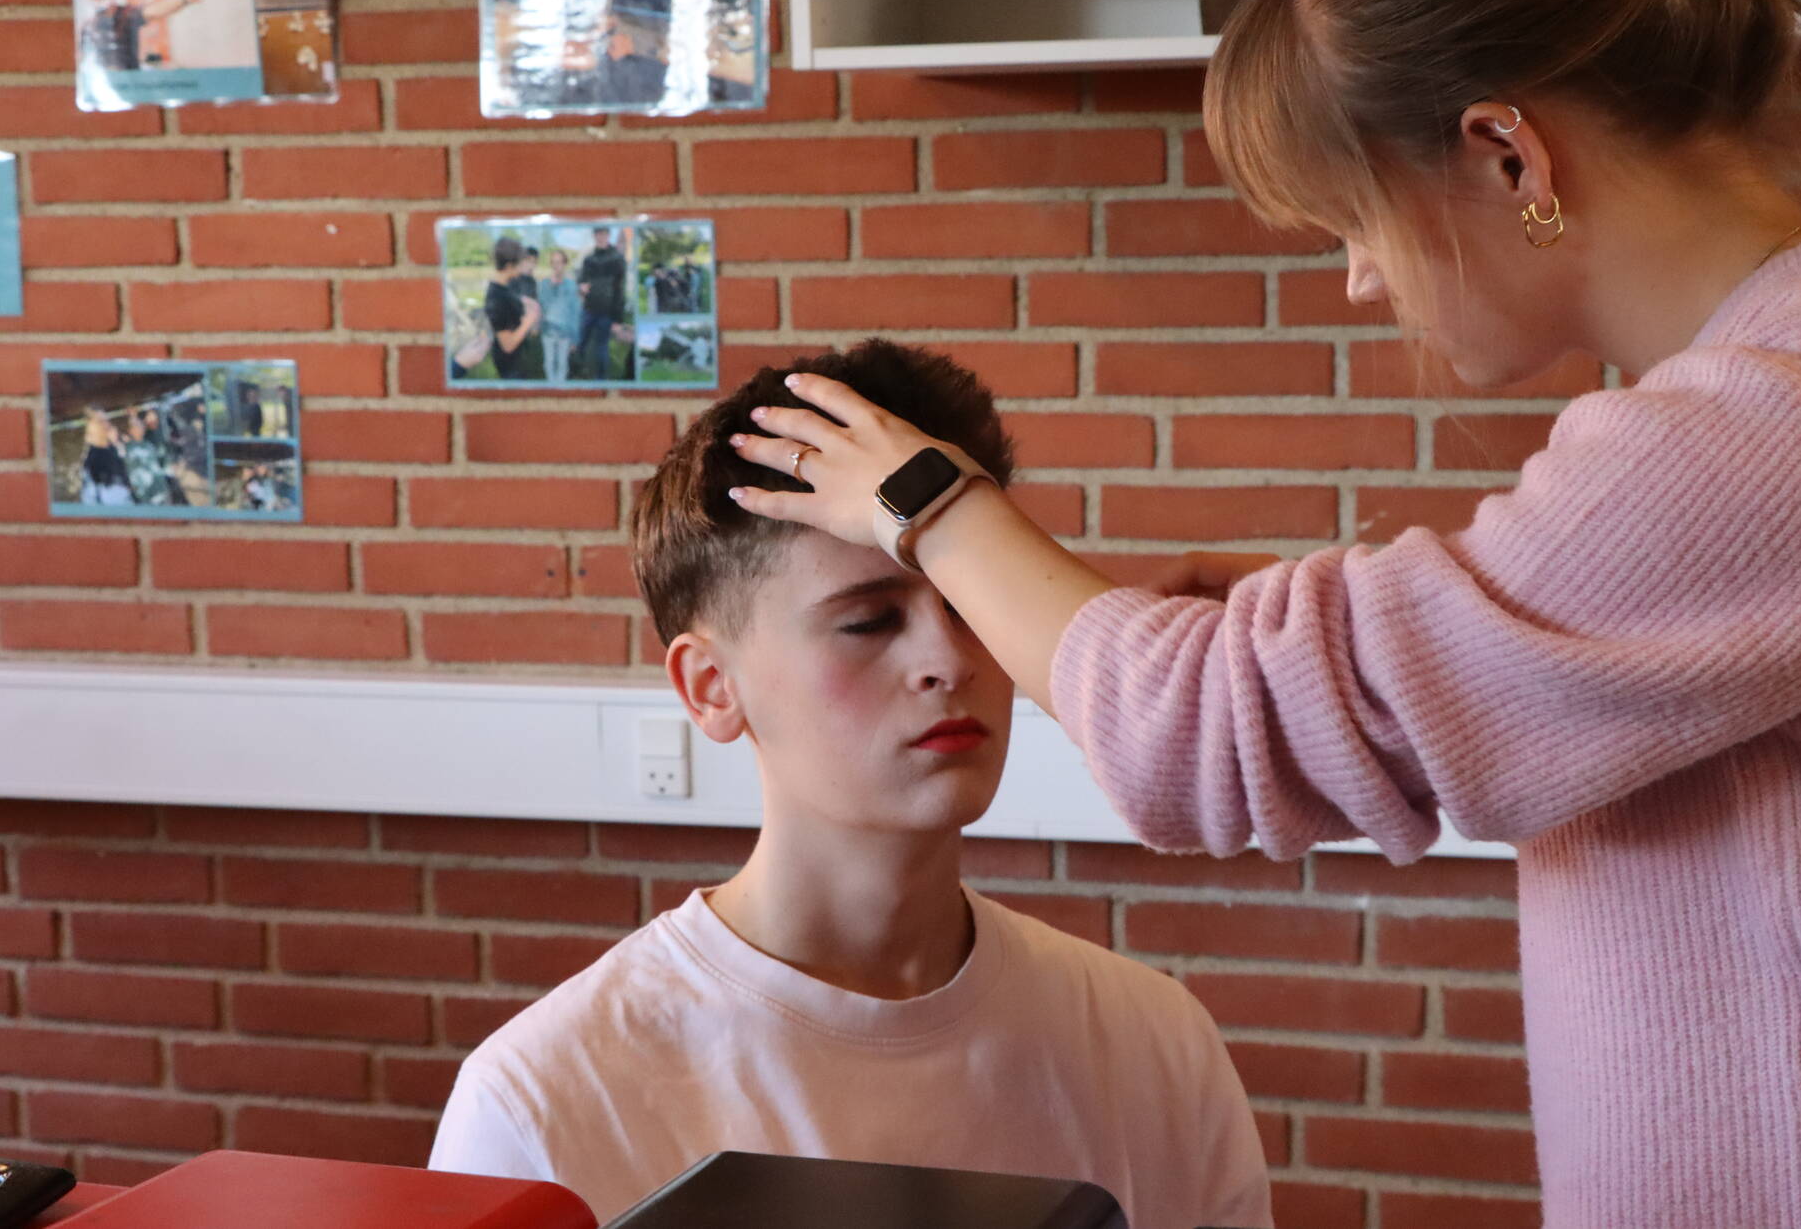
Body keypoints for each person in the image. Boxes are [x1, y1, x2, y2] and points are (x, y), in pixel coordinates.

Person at [725, 0, 1801, 1226]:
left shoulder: (1783, 419)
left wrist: (926, 504)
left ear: (1508, 155)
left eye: (1356, 216)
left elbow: (1205, 732)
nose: (1361, 277)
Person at [428, 342, 1272, 1229]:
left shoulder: (1155, 1041)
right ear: (712, 687)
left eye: (968, 602)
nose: (948, 659)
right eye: (869, 621)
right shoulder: (542, 1105)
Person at [79, 0, 207, 72]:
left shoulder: (126, 15)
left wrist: (184, 1)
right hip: (103, 84)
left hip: (129, 81)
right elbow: (82, 58)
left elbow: (154, 11)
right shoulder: (88, 26)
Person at [483, 235, 545, 380]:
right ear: (510, 266)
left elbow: (511, 303)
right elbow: (508, 345)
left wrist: (524, 301)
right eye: (520, 262)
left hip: (518, 358)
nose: (523, 266)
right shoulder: (496, 298)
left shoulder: (503, 288)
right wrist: (528, 321)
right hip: (509, 366)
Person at [575, 226, 627, 380]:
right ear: (594, 236)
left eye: (603, 234)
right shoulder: (589, 259)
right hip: (588, 309)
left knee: (601, 347)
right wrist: (581, 285)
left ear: (608, 235)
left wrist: (618, 320)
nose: (600, 237)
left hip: (607, 311)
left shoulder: (617, 258)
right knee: (580, 342)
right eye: (598, 234)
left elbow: (620, 290)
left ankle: (601, 380)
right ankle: (578, 372)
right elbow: (581, 279)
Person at [538, 247, 581, 378]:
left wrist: (575, 338)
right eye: (553, 262)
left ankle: (561, 388)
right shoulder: (544, 284)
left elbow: (575, 312)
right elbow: (541, 308)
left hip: (565, 333)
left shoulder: (571, 285)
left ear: (565, 264)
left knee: (563, 364)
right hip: (548, 332)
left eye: (559, 262)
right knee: (548, 363)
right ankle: (551, 388)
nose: (556, 266)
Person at [78, 408, 132, 506]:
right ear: (90, 427)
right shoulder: (90, 460)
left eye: (106, 421)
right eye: (100, 421)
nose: (107, 425)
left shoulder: (113, 452)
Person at [119, 410, 170, 506]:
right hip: (145, 496)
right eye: (135, 425)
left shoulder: (149, 445)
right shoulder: (127, 449)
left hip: (161, 490)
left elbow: (160, 463)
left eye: (140, 424)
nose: (140, 427)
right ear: (130, 430)